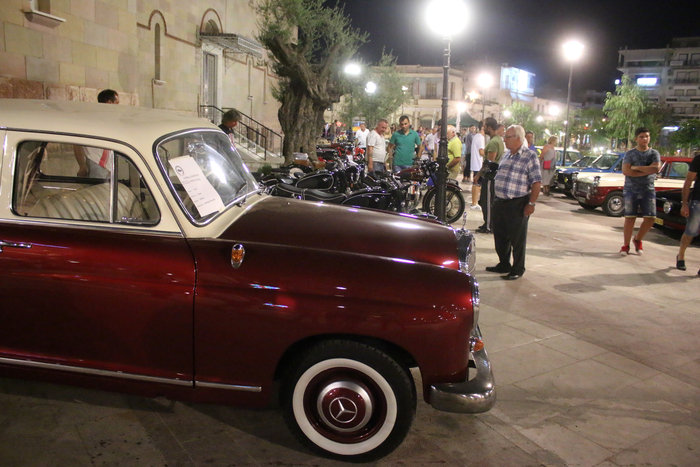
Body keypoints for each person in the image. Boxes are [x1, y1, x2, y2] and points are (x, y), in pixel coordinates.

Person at [486, 125, 542, 280]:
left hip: (517, 202)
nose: (504, 140)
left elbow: (536, 182)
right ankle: (504, 263)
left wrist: (531, 204)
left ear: (518, 138)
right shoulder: (506, 155)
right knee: (500, 236)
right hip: (500, 201)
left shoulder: (529, 156)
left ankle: (517, 268)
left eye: (508, 137)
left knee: (517, 239)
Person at [619, 127, 661, 256]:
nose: (644, 139)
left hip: (648, 189)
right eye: (642, 137)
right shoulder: (630, 154)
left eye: (647, 136)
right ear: (636, 139)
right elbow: (626, 171)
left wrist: (636, 168)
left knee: (651, 218)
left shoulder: (654, 153)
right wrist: (646, 170)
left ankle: (637, 239)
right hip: (631, 189)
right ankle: (626, 245)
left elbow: (656, 168)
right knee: (630, 218)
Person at [74, 89, 119, 177]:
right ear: (109, 103)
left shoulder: (111, 121)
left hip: (109, 165)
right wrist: (82, 166)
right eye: (116, 103)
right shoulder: (92, 120)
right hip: (96, 163)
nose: (118, 106)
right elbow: (76, 143)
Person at [474, 119, 504, 232]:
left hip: (491, 176)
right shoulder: (496, 140)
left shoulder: (493, 142)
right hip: (493, 175)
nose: (483, 128)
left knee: (487, 201)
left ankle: (488, 225)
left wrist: (479, 174)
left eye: (485, 126)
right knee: (486, 200)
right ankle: (488, 224)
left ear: (490, 128)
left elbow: (489, 162)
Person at [674, 150, 700, 273]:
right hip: (698, 201)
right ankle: (681, 255)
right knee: (690, 231)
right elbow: (688, 182)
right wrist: (684, 204)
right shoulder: (698, 160)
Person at [469, 122, 486, 210]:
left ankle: (474, 202)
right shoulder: (480, 137)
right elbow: (481, 152)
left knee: (477, 183)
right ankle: (474, 203)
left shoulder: (476, 136)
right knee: (477, 184)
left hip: (476, 163)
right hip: (478, 164)